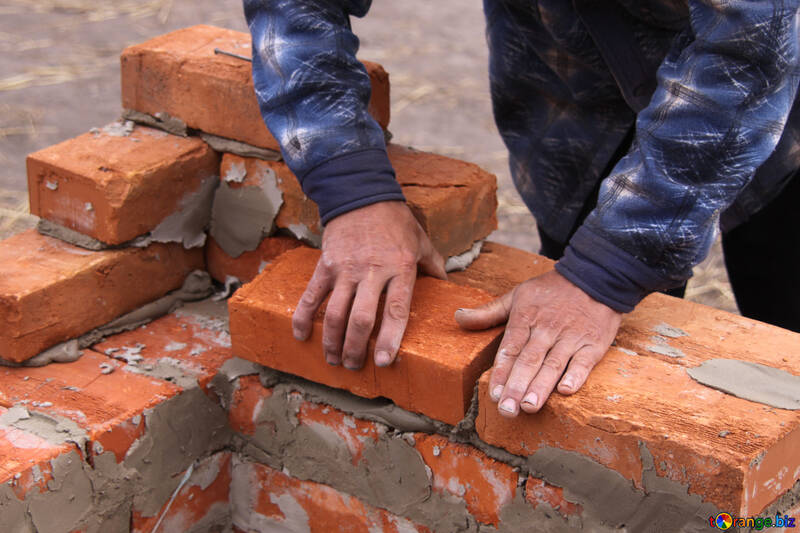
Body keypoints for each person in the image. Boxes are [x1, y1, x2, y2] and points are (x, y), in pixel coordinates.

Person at [242, 0, 800, 418]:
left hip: (781, 103)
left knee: (784, 366)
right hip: (568, 106)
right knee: (597, 389)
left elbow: (753, 41)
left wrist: (606, 272)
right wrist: (352, 188)